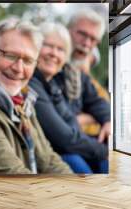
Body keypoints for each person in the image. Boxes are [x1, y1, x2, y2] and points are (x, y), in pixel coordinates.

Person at [0, 17, 72, 174]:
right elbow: (12, 175)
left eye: (28, 60)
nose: (19, 69)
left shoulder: (23, 100)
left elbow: (48, 159)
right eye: (10, 56)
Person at [29, 22, 108, 174]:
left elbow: (70, 119)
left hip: (70, 145)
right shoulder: (33, 81)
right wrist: (103, 150)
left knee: (103, 162)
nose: (54, 53)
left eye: (60, 49)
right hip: (53, 153)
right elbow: (63, 138)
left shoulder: (50, 82)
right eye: (48, 46)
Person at [54, 8, 111, 145]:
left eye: (93, 39)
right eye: (82, 34)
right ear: (67, 30)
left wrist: (108, 120)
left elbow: (97, 101)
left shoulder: (79, 73)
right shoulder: (50, 65)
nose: (86, 44)